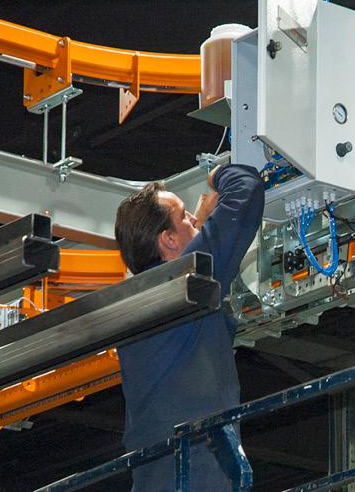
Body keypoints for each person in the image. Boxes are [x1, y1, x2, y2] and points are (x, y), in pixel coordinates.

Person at [114, 163, 264, 491]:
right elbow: (246, 190)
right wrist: (218, 173)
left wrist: (197, 228)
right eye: (184, 216)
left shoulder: (139, 306)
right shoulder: (184, 284)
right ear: (168, 240)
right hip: (198, 473)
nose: (194, 218)